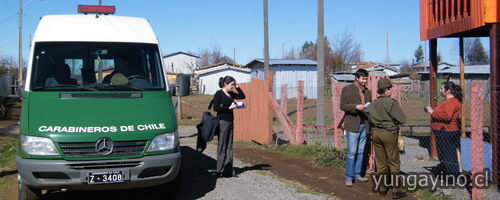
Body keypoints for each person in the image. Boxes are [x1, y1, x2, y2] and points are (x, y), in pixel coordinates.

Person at [368, 78, 407, 199]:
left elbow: (370, 119)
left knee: (381, 162)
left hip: (375, 133)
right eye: (391, 88)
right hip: (388, 133)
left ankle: (382, 188)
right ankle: (396, 190)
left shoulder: (373, 104)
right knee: (393, 161)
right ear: (387, 90)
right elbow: (402, 119)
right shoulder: (391, 103)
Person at [340, 68, 371, 187]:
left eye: (366, 79)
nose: (365, 81)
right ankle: (349, 177)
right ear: (357, 78)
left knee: (361, 151)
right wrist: (356, 107)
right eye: (363, 79)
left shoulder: (368, 92)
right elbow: (343, 106)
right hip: (352, 124)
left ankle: (358, 175)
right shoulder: (347, 89)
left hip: (365, 124)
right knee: (352, 152)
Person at [425, 81, 462, 177]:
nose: (440, 91)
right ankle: (448, 174)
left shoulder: (452, 101)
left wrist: (432, 112)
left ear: (448, 90)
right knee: (444, 154)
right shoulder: (448, 101)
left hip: (446, 131)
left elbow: (447, 116)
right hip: (443, 131)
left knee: (448, 155)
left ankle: (452, 176)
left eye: (442, 89)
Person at [212, 76, 245, 177]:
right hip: (222, 122)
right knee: (222, 146)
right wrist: (229, 108)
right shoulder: (219, 93)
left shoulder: (230, 93)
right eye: (232, 85)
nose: (233, 87)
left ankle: (229, 171)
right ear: (225, 84)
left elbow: (241, 96)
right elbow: (215, 108)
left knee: (229, 146)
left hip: (230, 121)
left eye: (234, 85)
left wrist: (237, 86)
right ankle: (220, 171)